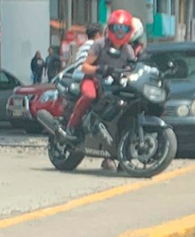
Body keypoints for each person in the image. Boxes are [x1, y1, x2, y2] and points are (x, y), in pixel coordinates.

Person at [57, 10, 136, 145]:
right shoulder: (99, 44)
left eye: (124, 28)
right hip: (93, 80)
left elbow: (132, 68)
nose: (120, 32)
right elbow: (84, 67)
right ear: (110, 28)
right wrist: (100, 69)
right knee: (89, 95)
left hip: (113, 84)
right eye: (117, 28)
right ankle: (71, 126)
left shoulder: (128, 50)